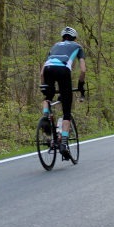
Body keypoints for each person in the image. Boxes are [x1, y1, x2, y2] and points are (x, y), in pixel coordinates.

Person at [41, 26, 86, 159]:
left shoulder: (54, 46)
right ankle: (64, 143)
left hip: (48, 69)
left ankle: (45, 116)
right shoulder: (78, 47)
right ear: (74, 38)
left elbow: (42, 72)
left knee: (47, 96)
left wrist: (44, 87)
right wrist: (80, 86)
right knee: (66, 111)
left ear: (62, 37)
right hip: (63, 71)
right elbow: (83, 70)